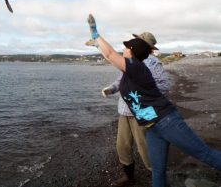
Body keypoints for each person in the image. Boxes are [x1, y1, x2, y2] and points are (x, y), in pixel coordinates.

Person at [86, 14, 221, 187]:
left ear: (133, 52)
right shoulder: (129, 69)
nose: (124, 49)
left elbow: (110, 54)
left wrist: (95, 33)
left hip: (167, 121)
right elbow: (110, 58)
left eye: (127, 47)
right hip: (152, 127)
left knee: (205, 154)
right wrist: (98, 45)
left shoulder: (137, 67)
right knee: (158, 171)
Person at [99, 33, 170, 186]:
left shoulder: (153, 62)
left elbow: (164, 85)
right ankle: (129, 177)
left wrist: (144, 94)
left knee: (146, 148)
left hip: (143, 112)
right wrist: (111, 89)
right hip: (124, 111)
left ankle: (159, 180)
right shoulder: (129, 61)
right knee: (122, 146)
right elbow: (121, 80)